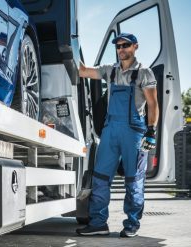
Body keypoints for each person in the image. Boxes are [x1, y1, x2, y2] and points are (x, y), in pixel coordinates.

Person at [76, 33, 159, 237]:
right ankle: (98, 223)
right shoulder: (109, 70)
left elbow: (152, 103)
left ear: (135, 47)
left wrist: (151, 131)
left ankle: (131, 224)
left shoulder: (144, 73)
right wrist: (68, 46)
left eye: (125, 45)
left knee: (134, 180)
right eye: (118, 46)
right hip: (110, 130)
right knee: (101, 178)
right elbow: (83, 71)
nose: (121, 49)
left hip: (134, 133)